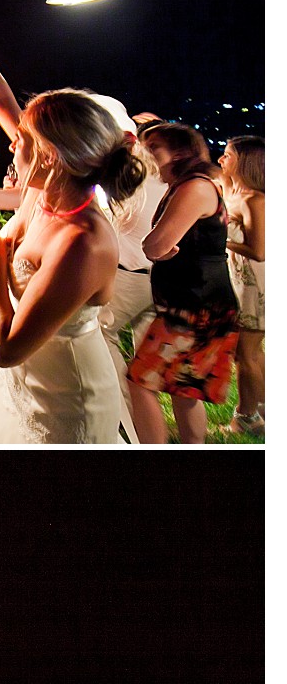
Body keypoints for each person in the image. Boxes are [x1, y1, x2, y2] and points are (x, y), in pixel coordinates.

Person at [0, 4, 146, 443]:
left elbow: (6, 348)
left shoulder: (83, 241)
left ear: (50, 156)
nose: (12, 149)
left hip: (67, 401)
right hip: (27, 385)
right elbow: (1, 103)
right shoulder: (42, 188)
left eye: (21, 143)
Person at [127, 123, 239, 444]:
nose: (146, 154)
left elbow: (156, 245)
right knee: (184, 388)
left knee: (140, 381)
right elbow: (160, 246)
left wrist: (158, 248)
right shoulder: (184, 186)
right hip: (195, 303)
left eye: (154, 147)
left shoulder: (196, 188)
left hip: (197, 308)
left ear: (180, 152)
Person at [97, 114, 168, 441]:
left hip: (131, 279)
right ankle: (152, 434)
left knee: (100, 333)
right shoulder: (170, 185)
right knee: (145, 372)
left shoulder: (128, 186)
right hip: (163, 280)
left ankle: (124, 415)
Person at [219, 136, 265, 435]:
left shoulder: (255, 200)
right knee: (250, 353)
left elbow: (260, 251)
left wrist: (218, 240)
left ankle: (247, 417)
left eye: (227, 155)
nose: (221, 159)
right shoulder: (231, 192)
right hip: (240, 281)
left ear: (244, 161)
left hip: (257, 284)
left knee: (245, 354)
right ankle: (259, 411)